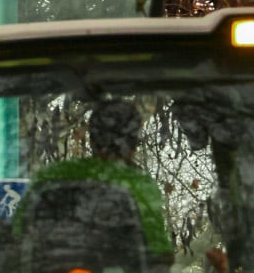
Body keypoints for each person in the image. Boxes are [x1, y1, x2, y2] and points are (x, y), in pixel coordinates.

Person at [25, 98, 174, 264]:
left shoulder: (51, 176)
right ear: (134, 143)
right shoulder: (139, 183)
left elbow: (17, 237)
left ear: (92, 139)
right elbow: (161, 255)